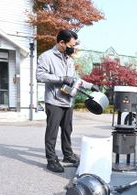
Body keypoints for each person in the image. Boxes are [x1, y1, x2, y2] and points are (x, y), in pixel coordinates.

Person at [36, 29, 99, 173]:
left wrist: (90, 86)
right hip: (54, 101)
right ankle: (51, 160)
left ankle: (68, 155)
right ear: (61, 42)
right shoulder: (46, 57)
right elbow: (40, 75)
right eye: (71, 46)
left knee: (67, 131)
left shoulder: (69, 60)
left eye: (74, 45)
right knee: (52, 132)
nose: (73, 48)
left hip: (68, 101)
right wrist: (61, 79)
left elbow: (74, 79)